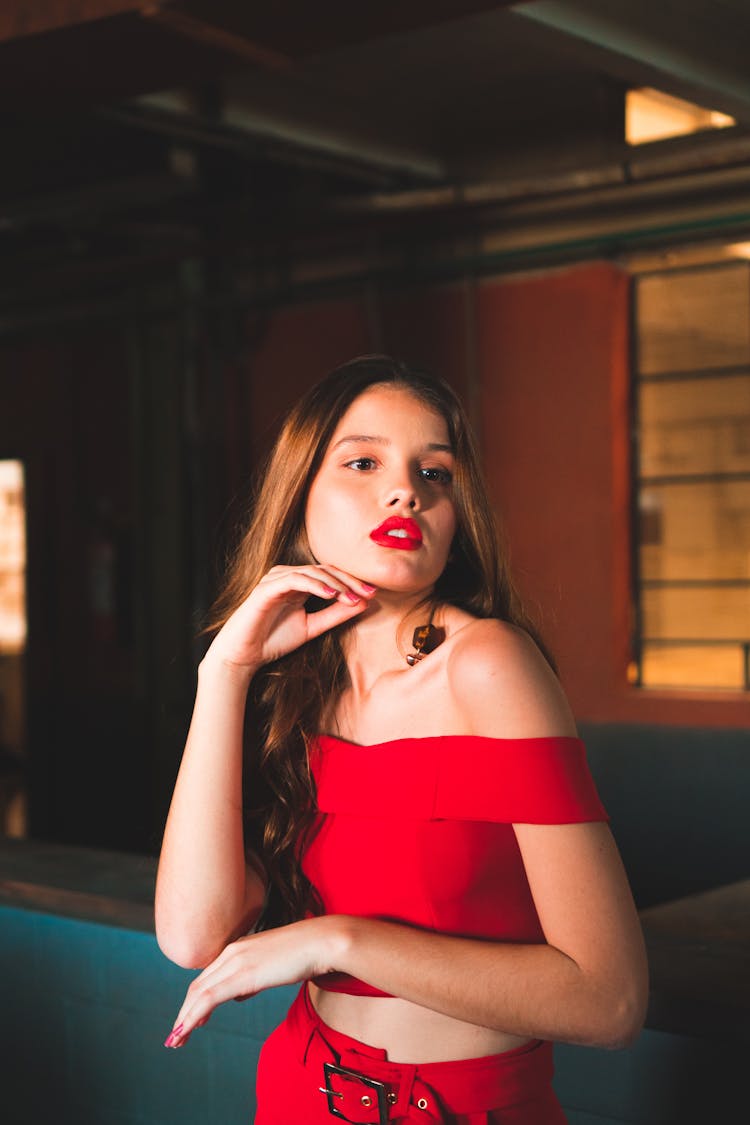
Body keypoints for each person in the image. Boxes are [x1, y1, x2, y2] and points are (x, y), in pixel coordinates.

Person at [155, 355, 648, 1124]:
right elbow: (193, 936)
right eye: (363, 461)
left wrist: (337, 941)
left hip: (465, 1108)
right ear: (299, 501)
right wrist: (224, 672)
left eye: (436, 473)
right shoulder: (293, 689)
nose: (406, 490)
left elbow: (610, 999)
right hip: (299, 1090)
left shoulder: (487, 665)